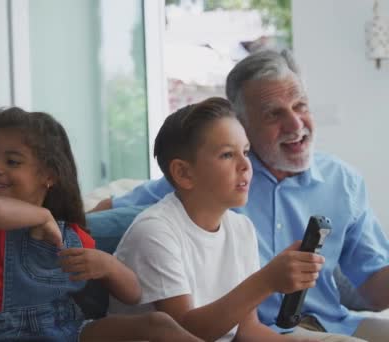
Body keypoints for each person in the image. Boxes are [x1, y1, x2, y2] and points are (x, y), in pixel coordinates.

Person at [98, 50, 389, 341]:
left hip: (327, 321)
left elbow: (372, 288)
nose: (296, 125)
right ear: (243, 123)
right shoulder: (187, 198)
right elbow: (184, 331)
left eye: (300, 106)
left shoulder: (243, 223)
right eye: (274, 113)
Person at [0, 107, 200, 342]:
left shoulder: (72, 234)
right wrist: (42, 217)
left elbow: (134, 294)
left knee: (157, 323)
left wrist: (109, 267)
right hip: (6, 334)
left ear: (49, 176)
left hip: (69, 328)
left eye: (12, 162)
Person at [109, 97, 323, 341]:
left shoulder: (241, 228)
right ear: (183, 173)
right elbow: (185, 333)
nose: (245, 165)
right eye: (227, 155)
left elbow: (246, 330)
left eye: (245, 152)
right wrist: (266, 281)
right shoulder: (155, 232)